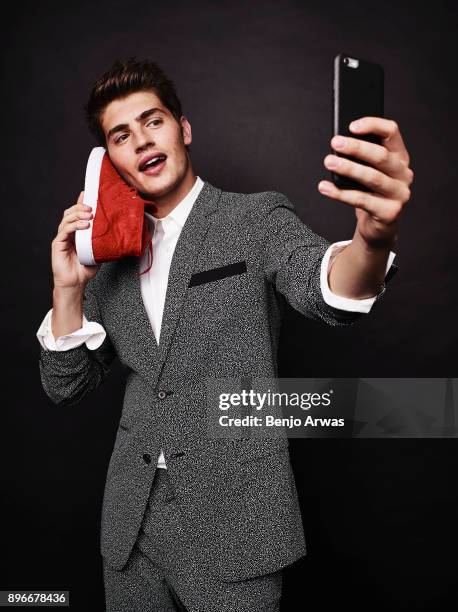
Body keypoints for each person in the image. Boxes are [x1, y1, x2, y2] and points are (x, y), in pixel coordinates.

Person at [36, 57, 413, 611]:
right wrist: (67, 289)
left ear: (183, 130)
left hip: (235, 526)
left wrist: (374, 239)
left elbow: (323, 287)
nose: (141, 141)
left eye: (153, 121)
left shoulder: (253, 218)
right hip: (131, 530)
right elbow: (65, 387)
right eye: (122, 135)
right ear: (111, 161)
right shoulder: (110, 262)